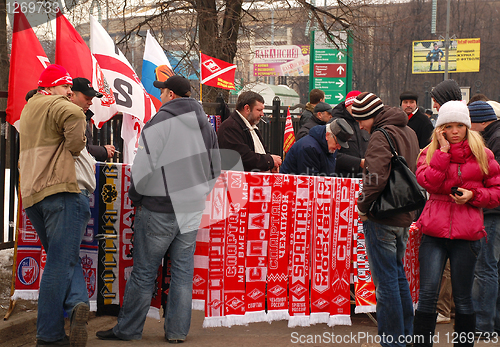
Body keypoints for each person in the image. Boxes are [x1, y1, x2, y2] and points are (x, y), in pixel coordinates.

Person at [95, 75, 221, 343]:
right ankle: (176, 332)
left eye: (162, 90)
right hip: (190, 208)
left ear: (171, 95)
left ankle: (128, 330)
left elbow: (143, 166)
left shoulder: (161, 120)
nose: (161, 94)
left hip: (159, 207)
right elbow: (215, 168)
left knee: (144, 272)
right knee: (183, 273)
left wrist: (136, 196)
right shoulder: (205, 124)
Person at [413, 100, 500, 347]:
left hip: (468, 234)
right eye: (448, 126)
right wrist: (442, 153)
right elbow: (427, 182)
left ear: (467, 127)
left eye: (459, 126)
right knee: (428, 295)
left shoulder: (484, 154)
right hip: (433, 233)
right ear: (439, 129)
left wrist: (474, 196)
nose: (454, 131)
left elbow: (496, 192)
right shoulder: (428, 152)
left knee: (463, 298)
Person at [18, 64, 89, 347]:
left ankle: (76, 303)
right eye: (66, 88)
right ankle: (49, 336)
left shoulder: (29, 108)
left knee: (63, 258)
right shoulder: (57, 104)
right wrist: (76, 144)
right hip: (60, 191)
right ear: (49, 88)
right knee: (59, 263)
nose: (70, 94)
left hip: (33, 195)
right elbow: (74, 113)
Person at [353, 92, 420, 347]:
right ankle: (405, 334)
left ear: (371, 115)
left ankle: (393, 341)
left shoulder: (381, 135)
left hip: (382, 216)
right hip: (404, 214)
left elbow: (375, 178)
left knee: (386, 282)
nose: (360, 125)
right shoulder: (409, 131)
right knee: (397, 276)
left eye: (361, 119)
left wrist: (363, 205)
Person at [429, 78, 462, 324]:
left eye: (436, 100)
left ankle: (443, 308)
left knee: (449, 264)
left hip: (454, 205)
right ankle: (445, 307)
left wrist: (440, 152)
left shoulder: (454, 131)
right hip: (443, 205)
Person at [469, 101, 500, 338]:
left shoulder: (494, 141)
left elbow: (490, 175)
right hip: (493, 211)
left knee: (485, 269)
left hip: (492, 212)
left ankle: (482, 326)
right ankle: (493, 323)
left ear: (479, 122)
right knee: (493, 268)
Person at [217, 91, 281, 172]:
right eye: (259, 110)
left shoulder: (251, 126)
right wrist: (270, 161)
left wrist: (271, 165)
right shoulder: (230, 127)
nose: (262, 114)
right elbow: (242, 157)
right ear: (247, 109)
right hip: (238, 182)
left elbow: (262, 153)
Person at [279, 119, 353, 176]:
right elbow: (310, 181)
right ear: (327, 135)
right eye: (337, 143)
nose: (339, 148)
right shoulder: (309, 148)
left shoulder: (330, 147)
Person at [70, 77, 116, 161]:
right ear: (72, 95)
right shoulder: (70, 117)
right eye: (87, 98)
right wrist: (103, 151)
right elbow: (78, 149)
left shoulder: (83, 115)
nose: (90, 103)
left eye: (91, 99)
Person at [330, 90, 369, 178]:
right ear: (347, 106)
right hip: (342, 176)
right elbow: (331, 153)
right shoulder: (336, 123)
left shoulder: (365, 123)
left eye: (359, 107)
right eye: (353, 106)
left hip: (364, 177)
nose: (356, 110)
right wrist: (358, 162)